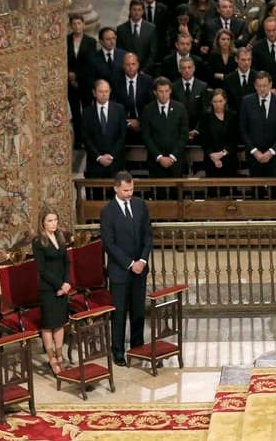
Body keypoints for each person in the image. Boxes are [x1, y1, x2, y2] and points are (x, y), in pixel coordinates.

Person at [100, 171, 153, 366]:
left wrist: (142, 261)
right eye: (125, 190)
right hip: (120, 272)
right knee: (120, 313)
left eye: (131, 189)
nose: (129, 193)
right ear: (116, 188)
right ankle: (118, 352)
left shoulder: (140, 205)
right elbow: (109, 244)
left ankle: (138, 347)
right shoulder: (108, 211)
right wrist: (131, 264)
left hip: (141, 269)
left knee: (138, 311)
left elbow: (148, 235)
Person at [31, 207, 71, 375]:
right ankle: (51, 359)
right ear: (42, 223)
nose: (53, 223)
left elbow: (67, 262)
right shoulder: (38, 241)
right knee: (48, 324)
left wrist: (67, 283)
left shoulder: (60, 237)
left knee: (60, 322)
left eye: (55, 220)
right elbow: (42, 269)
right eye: (49, 220)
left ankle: (60, 356)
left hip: (63, 287)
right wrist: (59, 285)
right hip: (48, 289)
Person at [239, 71, 276, 177]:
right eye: (259, 86)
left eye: (265, 86)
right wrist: (254, 151)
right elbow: (243, 129)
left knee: (275, 190)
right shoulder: (246, 102)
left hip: (273, 156)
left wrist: (271, 151)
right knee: (257, 190)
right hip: (254, 155)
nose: (262, 89)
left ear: (270, 85)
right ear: (255, 86)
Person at [142, 76, 189, 178]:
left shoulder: (180, 108)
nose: (164, 95)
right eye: (161, 91)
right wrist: (159, 157)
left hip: (176, 161)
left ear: (170, 91)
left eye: (166, 91)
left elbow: (184, 135)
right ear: (155, 92)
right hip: (156, 162)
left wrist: (172, 156)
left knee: (176, 193)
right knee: (158, 193)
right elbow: (146, 136)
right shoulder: (148, 110)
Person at [82, 80, 127, 178]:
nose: (104, 94)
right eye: (101, 91)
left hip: (115, 163)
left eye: (106, 91)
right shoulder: (87, 113)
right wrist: (99, 157)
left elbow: (122, 136)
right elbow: (86, 137)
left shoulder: (119, 109)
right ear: (94, 93)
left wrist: (111, 156)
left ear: (110, 92)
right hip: (95, 163)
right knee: (95, 192)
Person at [67, 14, 97, 149]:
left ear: (83, 25)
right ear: (71, 26)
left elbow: (90, 63)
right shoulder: (66, 40)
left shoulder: (90, 42)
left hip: (85, 82)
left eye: (79, 23)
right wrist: (69, 75)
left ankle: (87, 138)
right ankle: (78, 140)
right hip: (70, 83)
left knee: (86, 112)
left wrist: (76, 76)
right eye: (74, 24)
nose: (77, 26)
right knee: (75, 113)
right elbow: (64, 59)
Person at [111, 52, 154, 146]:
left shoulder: (147, 81)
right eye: (127, 64)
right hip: (123, 124)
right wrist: (127, 122)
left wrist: (139, 121)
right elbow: (114, 105)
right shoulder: (116, 81)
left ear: (138, 65)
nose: (130, 67)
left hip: (144, 123)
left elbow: (151, 105)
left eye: (133, 64)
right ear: (123, 66)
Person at [197, 89, 239, 177]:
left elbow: (234, 139)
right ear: (211, 102)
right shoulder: (205, 117)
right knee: (212, 189)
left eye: (220, 101)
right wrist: (213, 156)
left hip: (229, 159)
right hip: (211, 159)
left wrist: (221, 154)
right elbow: (204, 140)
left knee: (229, 188)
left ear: (225, 101)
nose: (218, 104)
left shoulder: (233, 116)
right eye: (215, 101)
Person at [117, 0, 159, 73]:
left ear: (143, 11)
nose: (137, 13)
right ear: (130, 10)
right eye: (134, 10)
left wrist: (144, 70)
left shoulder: (151, 28)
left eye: (139, 10)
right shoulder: (121, 29)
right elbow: (120, 53)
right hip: (127, 71)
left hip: (146, 72)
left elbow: (153, 53)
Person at [223, 47, 257, 111]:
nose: (246, 63)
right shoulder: (228, 79)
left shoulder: (258, 78)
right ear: (236, 59)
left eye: (249, 59)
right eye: (243, 60)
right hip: (235, 117)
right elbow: (228, 102)